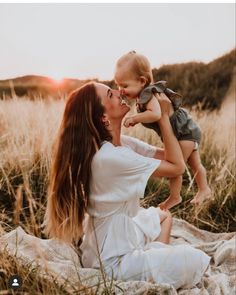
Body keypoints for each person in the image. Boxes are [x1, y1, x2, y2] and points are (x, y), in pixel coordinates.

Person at [43, 82, 210, 289]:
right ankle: (153, 260)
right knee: (195, 260)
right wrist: (164, 117)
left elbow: (173, 157)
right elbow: (176, 167)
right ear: (104, 117)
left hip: (118, 235)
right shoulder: (110, 157)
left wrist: (163, 114)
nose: (120, 93)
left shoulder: (121, 144)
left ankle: (154, 257)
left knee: (164, 216)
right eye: (111, 94)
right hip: (112, 261)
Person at [114, 51, 211, 210]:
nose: (121, 90)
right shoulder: (143, 95)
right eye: (118, 85)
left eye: (124, 85)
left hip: (183, 132)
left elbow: (156, 114)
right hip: (184, 132)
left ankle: (175, 197)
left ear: (141, 81)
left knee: (175, 167)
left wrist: (135, 119)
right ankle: (204, 188)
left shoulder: (149, 95)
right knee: (194, 163)